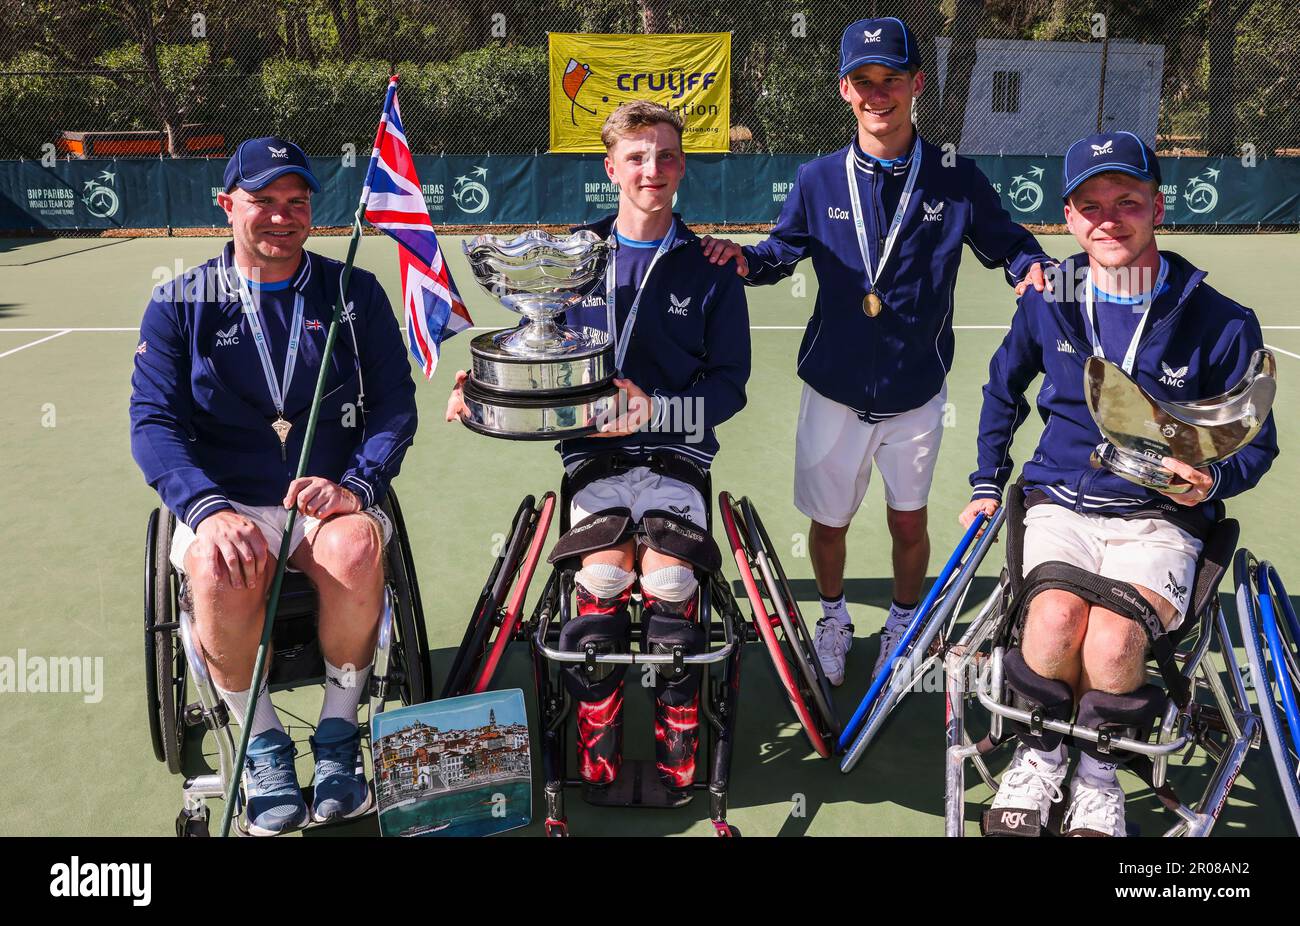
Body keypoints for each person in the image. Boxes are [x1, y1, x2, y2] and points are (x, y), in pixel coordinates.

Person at [700, 16, 1053, 686]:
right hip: (832, 388)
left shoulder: (956, 179)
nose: (877, 93)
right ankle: (833, 617)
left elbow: (1010, 244)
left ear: (916, 83)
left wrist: (1029, 268)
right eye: (863, 81)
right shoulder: (818, 179)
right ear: (844, 90)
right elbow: (780, 252)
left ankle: (901, 619)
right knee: (828, 524)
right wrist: (743, 262)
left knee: (908, 521)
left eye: (891, 78)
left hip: (916, 391)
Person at [958, 131, 1277, 836]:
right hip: (1060, 503)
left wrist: (1209, 480)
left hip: (1159, 517)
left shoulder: (1220, 322)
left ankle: (1098, 773)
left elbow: (1258, 445)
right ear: (1068, 220)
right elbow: (1002, 389)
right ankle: (1040, 759)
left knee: (1110, 643)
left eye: (1127, 201)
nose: (1109, 218)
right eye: (1090, 205)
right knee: (1053, 620)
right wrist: (987, 480)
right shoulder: (1050, 299)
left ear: (1158, 206)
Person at [448, 101, 749, 790]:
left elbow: (731, 388)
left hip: (677, 459)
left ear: (681, 167)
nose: (653, 169)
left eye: (666, 155)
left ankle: (679, 734)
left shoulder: (711, 268)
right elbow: (540, 360)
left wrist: (657, 410)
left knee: (671, 581)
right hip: (594, 464)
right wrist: (485, 389)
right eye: (637, 157)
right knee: (604, 578)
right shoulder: (569, 262)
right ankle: (598, 734)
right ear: (611, 168)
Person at [130, 136, 418, 835]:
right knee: (218, 563)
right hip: (229, 500)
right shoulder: (179, 302)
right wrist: (204, 507)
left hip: (327, 500)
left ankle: (340, 734)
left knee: (354, 551)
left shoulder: (354, 290)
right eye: (262, 201)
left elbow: (394, 406)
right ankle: (262, 743)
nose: (281, 217)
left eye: (297, 202)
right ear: (228, 205)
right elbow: (153, 423)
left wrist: (358, 483)